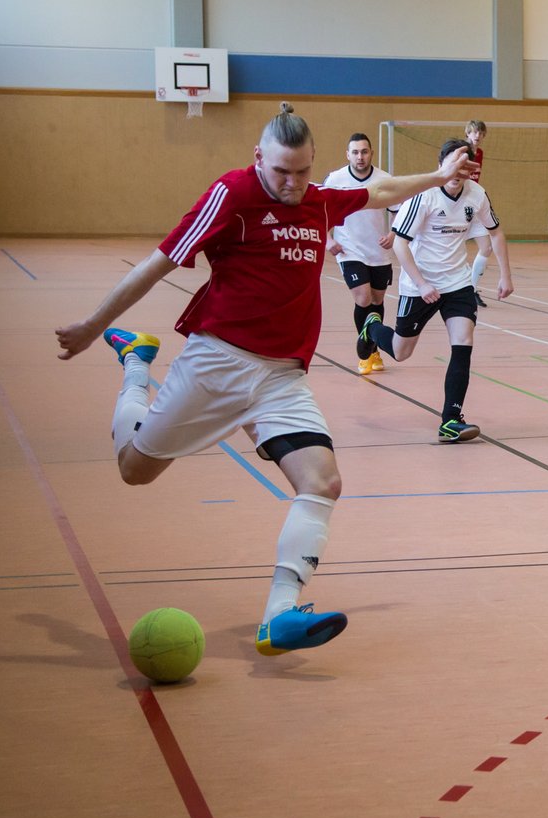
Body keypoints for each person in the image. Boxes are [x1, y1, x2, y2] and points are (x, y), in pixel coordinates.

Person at [54, 103, 477, 655]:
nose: (293, 183)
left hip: (281, 378)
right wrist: (93, 325)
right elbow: (157, 264)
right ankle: (136, 364)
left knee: (323, 483)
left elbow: (382, 191)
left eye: (303, 171)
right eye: (282, 171)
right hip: (218, 364)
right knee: (135, 470)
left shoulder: (318, 202)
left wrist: (441, 177)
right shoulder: (232, 195)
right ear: (259, 158)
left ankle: (279, 613)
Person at [357, 138, 514, 442]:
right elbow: (400, 245)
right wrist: (422, 284)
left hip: (457, 282)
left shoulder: (477, 195)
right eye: (453, 163)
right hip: (419, 284)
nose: (458, 171)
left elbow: (496, 233)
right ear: (442, 164)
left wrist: (505, 275)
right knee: (402, 352)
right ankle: (372, 328)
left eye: (464, 165)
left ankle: (450, 420)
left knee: (463, 341)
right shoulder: (424, 196)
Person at [323, 132, 397, 375]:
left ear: (371, 153)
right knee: (363, 298)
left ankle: (373, 348)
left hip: (378, 251)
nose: (360, 156)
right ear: (347, 155)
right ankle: (365, 352)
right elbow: (320, 212)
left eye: (364, 151)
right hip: (349, 250)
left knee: (377, 300)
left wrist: (393, 234)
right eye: (355, 152)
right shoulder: (336, 179)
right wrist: (328, 239)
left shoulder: (384, 179)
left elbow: (399, 210)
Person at [465, 120, 492, 307]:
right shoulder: (461, 151)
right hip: (458, 204)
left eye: (481, 133)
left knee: (486, 247)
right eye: (474, 132)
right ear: (467, 133)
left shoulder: (479, 153)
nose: (477, 136)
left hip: (474, 203)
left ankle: (471, 289)